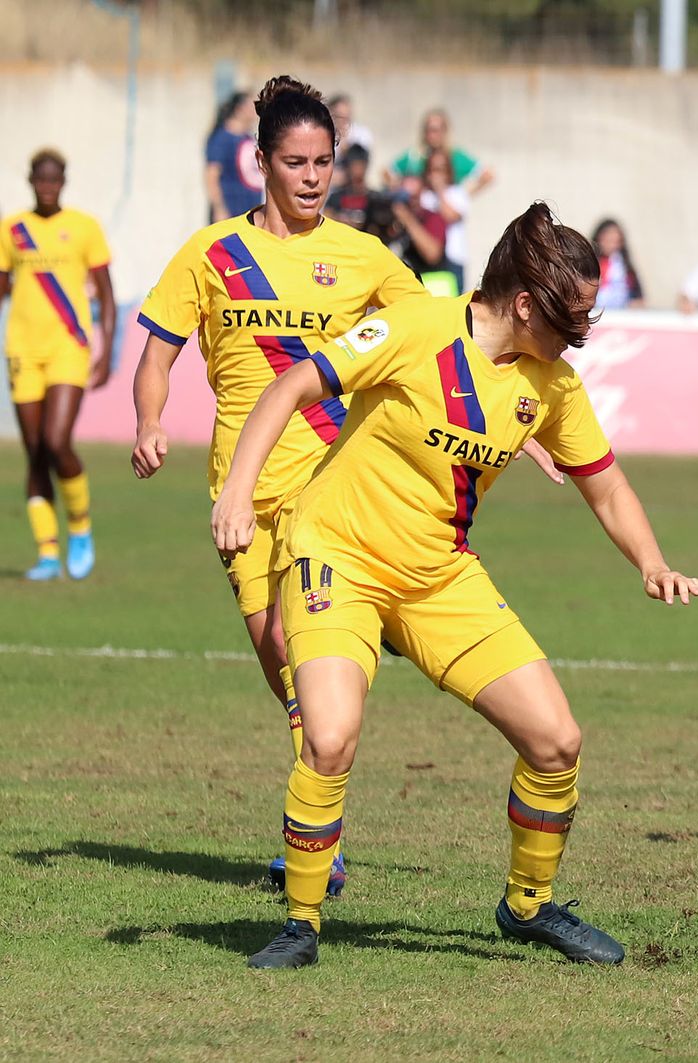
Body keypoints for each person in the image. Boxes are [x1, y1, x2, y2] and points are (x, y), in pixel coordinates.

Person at [212, 203, 698, 969]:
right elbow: (291, 387)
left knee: (556, 742)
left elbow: (605, 484)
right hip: (337, 558)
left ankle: (529, 904)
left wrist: (652, 561)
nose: (582, 331)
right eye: (573, 315)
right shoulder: (416, 327)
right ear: (526, 303)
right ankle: (301, 923)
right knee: (329, 738)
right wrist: (238, 494)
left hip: (438, 574)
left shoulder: (552, 386)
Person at [132, 75, 430, 893]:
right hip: (243, 494)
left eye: (323, 162)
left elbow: (440, 338)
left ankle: (318, 849)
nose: (312, 177)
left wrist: (526, 420)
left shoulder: (364, 256)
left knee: (306, 668)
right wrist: (150, 421)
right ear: (260, 162)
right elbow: (156, 356)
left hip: (334, 492)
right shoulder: (211, 253)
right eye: (295, 162)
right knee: (284, 670)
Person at [1, 149, 115, 580]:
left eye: (54, 180)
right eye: (41, 180)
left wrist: (107, 349)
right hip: (22, 350)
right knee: (34, 452)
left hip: (69, 346)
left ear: (63, 182)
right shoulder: (13, 229)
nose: (47, 187)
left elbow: (106, 292)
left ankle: (80, 527)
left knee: (56, 441)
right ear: (31, 181)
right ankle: (48, 552)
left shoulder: (84, 227)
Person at [390, 108, 493, 197]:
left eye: (435, 130)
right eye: (428, 130)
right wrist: (404, 194)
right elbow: (388, 172)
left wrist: (462, 198)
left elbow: (487, 175)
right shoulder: (415, 156)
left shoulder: (455, 156)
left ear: (444, 131)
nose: (431, 135)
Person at [205, 92, 265, 223]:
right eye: (253, 106)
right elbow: (211, 175)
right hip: (230, 212)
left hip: (250, 212)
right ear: (240, 109)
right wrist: (219, 209)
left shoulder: (249, 138)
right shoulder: (222, 138)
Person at [418, 148, 470, 294]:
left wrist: (440, 191)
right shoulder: (423, 195)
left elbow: (451, 216)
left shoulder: (458, 193)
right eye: (433, 170)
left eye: (440, 170)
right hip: (429, 262)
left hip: (454, 259)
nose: (436, 175)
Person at [592, 219, 644, 310]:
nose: (610, 245)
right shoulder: (590, 263)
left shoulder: (625, 267)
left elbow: (638, 298)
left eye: (614, 241)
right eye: (607, 240)